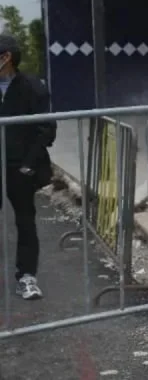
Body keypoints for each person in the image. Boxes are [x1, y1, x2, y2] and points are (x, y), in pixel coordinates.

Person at [0, 34, 56, 300]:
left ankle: (27, 277)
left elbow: (47, 129)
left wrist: (28, 165)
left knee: (25, 222)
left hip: (19, 169)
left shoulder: (32, 87)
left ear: (6, 57)